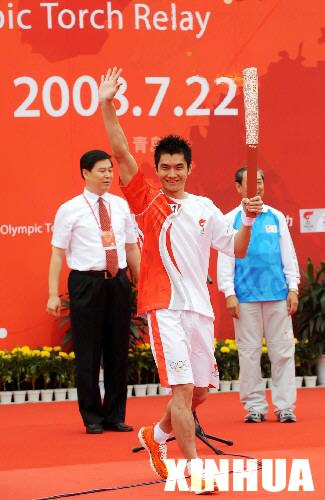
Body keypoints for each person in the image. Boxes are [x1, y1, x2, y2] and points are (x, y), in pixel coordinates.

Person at [98, 67, 263, 488]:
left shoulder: (206, 207)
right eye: (165, 167)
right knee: (184, 392)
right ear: (157, 168)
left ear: (190, 168)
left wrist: (247, 218)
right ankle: (194, 472)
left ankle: (155, 436)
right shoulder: (147, 199)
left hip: (200, 311)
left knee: (201, 393)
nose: (171, 173)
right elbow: (119, 152)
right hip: (164, 306)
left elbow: (238, 248)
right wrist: (106, 104)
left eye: (178, 167)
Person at [46, 149, 140, 434]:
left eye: (110, 170)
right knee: (88, 352)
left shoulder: (121, 206)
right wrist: (52, 293)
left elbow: (132, 247)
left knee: (117, 351)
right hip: (86, 283)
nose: (108, 175)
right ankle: (92, 416)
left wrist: (141, 280)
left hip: (118, 281)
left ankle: (115, 415)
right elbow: (57, 254)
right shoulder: (69, 209)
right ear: (85, 173)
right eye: (101, 170)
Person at [217, 167, 300, 424]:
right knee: (249, 354)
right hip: (245, 297)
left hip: (277, 294)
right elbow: (225, 257)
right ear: (238, 188)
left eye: (260, 182)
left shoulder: (275, 217)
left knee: (282, 352)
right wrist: (229, 292)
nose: (257, 188)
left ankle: (285, 406)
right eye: (251, 184)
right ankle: (254, 406)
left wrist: (293, 287)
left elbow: (289, 255)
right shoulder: (230, 220)